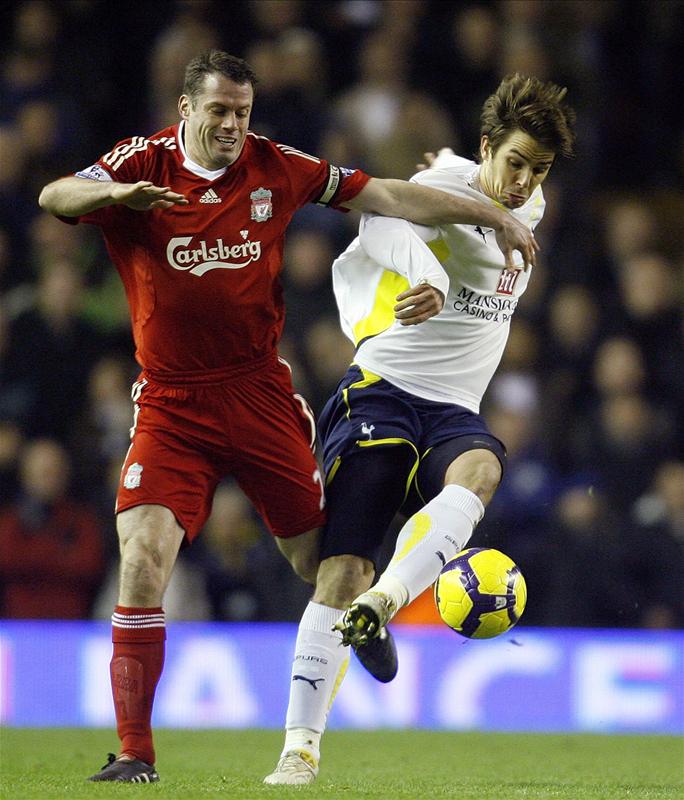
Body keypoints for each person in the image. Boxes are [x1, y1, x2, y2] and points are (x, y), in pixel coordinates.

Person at [38, 51, 537, 783]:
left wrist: (489, 210)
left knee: (323, 563)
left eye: (242, 111)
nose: (233, 125)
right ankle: (134, 753)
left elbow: (388, 198)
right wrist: (112, 197)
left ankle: (365, 619)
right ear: (186, 111)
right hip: (171, 403)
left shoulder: (276, 166)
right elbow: (55, 195)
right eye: (218, 111)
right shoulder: (139, 163)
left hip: (259, 395)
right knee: (142, 559)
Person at [264, 73, 576, 785]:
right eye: (517, 163)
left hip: (451, 412)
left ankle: (385, 604)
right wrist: (422, 275)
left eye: (540, 170)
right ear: (486, 147)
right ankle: (299, 751)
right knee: (338, 571)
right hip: (382, 391)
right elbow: (378, 218)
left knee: (484, 471)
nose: (526, 183)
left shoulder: (532, 201)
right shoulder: (456, 183)